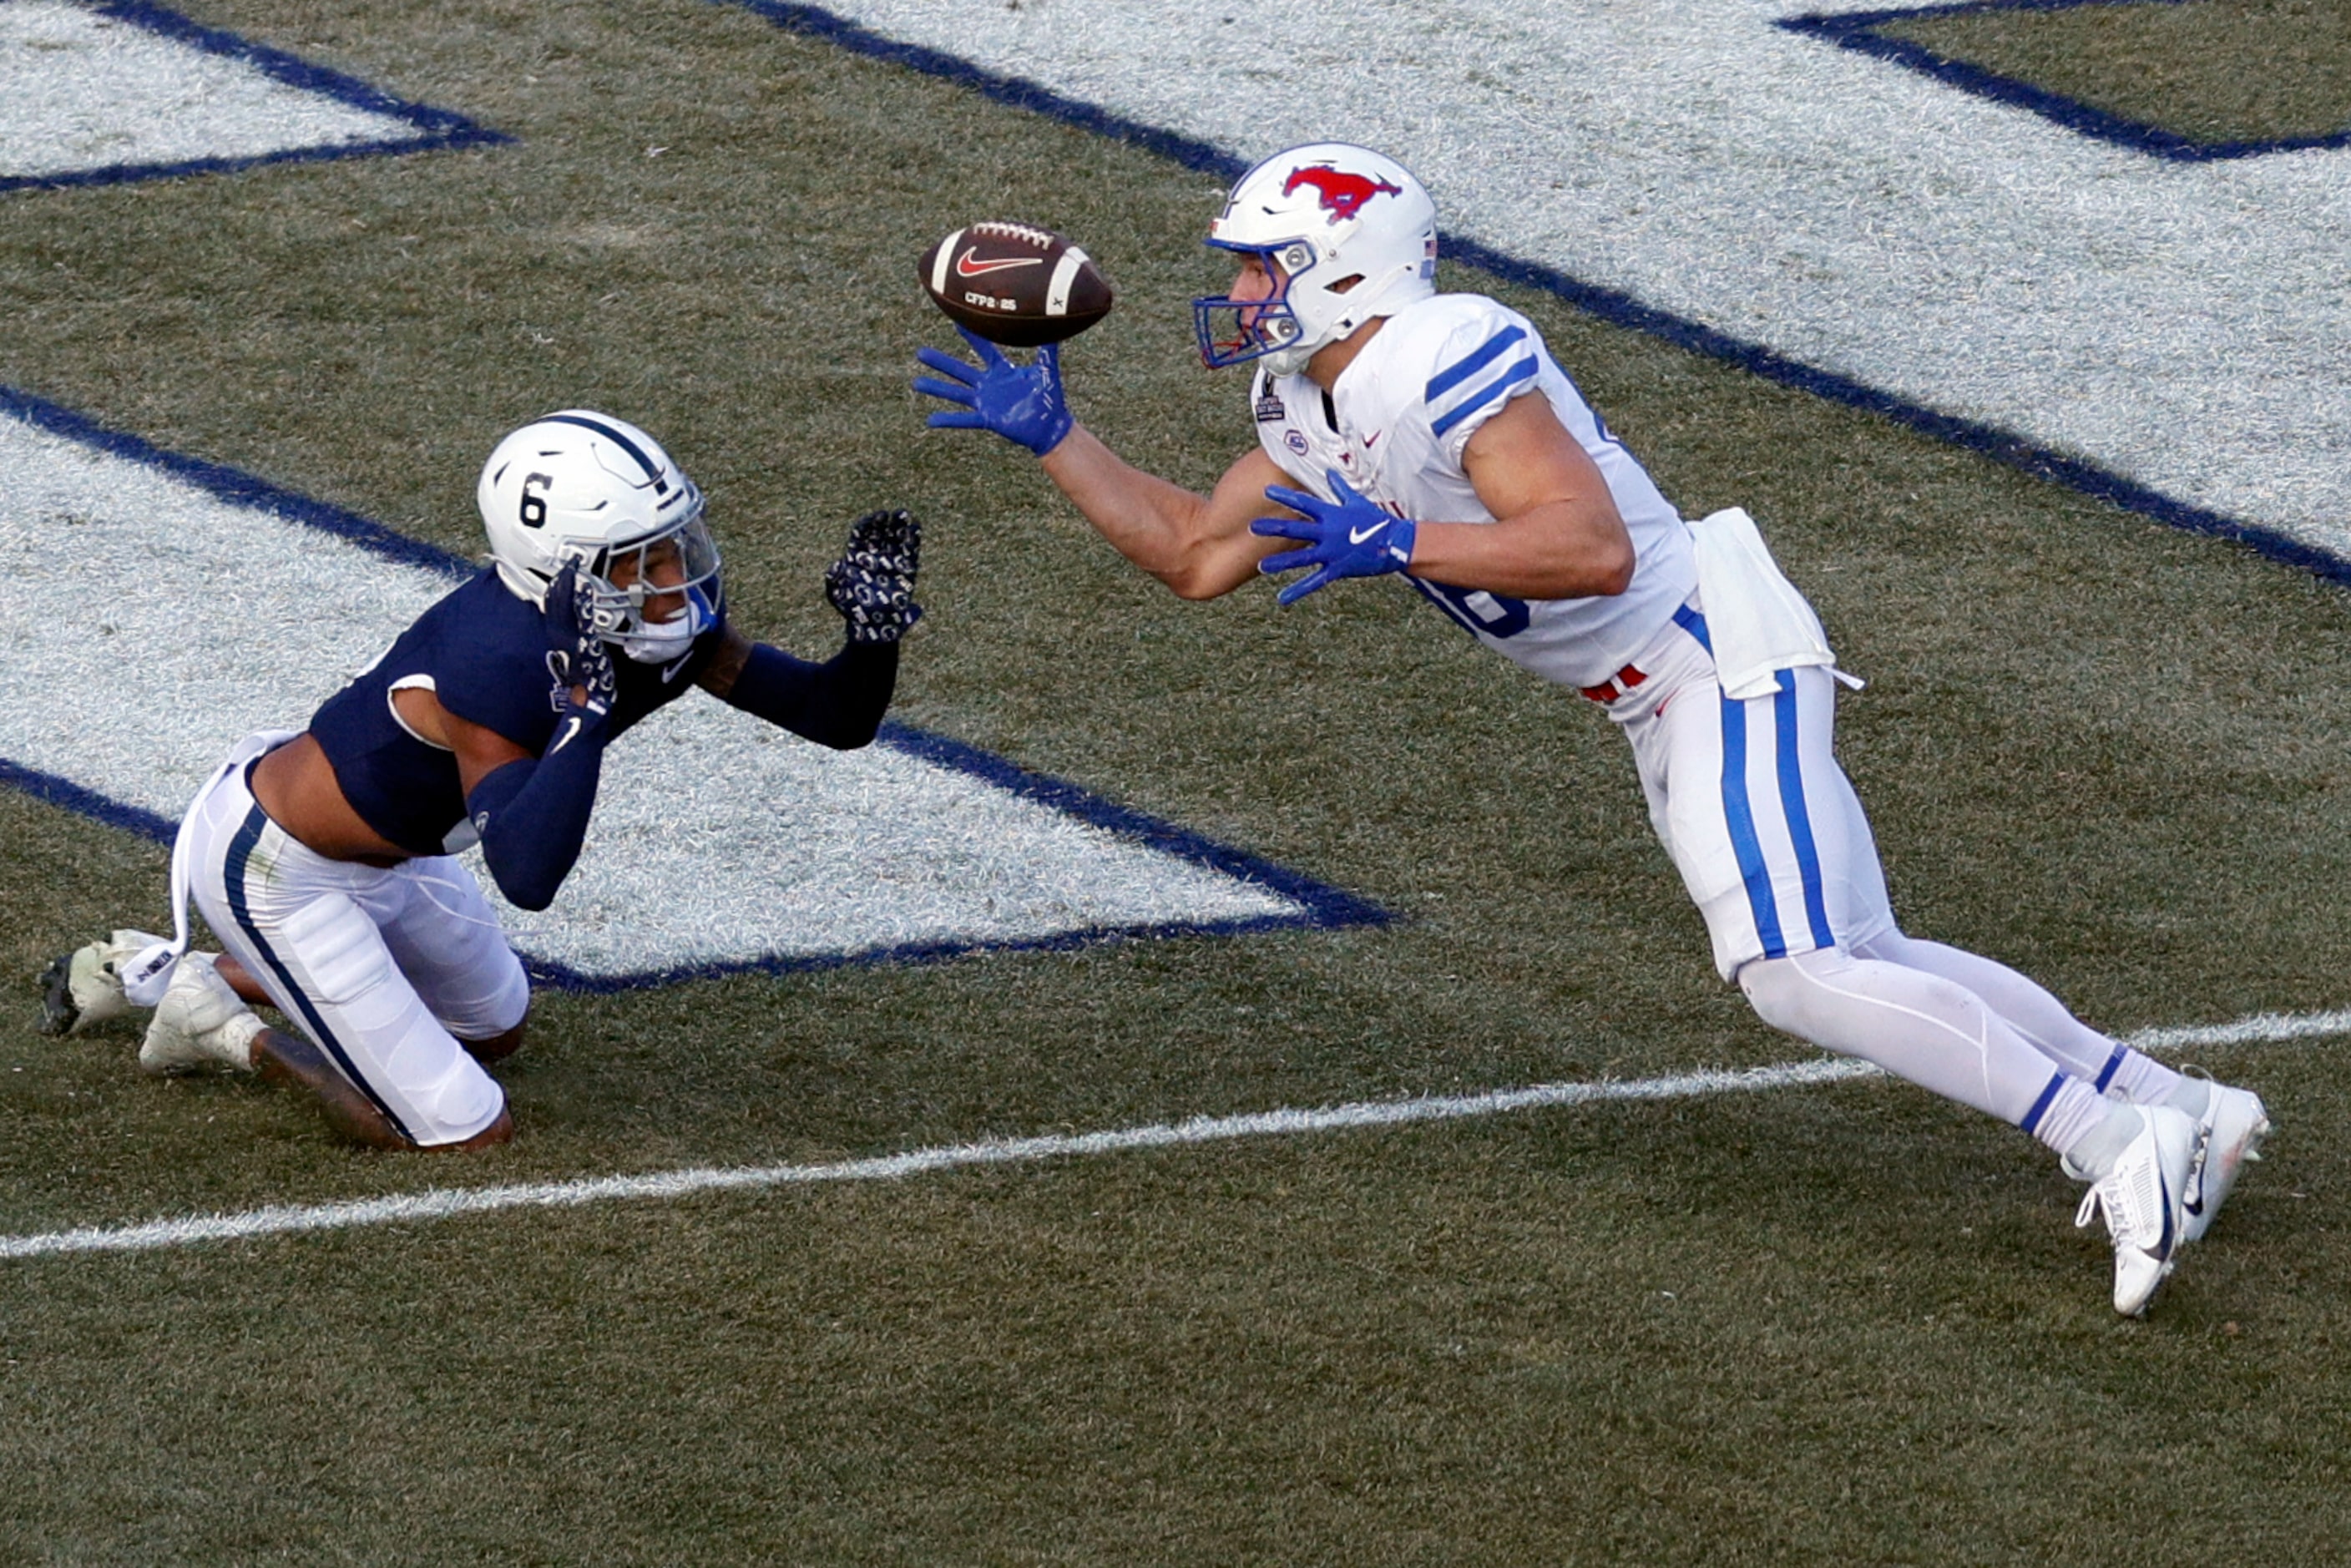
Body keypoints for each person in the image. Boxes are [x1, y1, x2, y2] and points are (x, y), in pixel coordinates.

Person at [913, 143, 2269, 1315]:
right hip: (1661, 690)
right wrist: (1059, 440)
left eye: (1267, 265)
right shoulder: (1301, 398)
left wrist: (1399, 538)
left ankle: (2111, 1142)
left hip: (1704, 656)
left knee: (1792, 971)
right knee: (1862, 952)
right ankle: (2175, 1106)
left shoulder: (1440, 351)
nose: (1243, 291)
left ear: (1345, 264)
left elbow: (1592, 546)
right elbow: (1200, 555)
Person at [41, 409, 923, 1151]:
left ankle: (186, 972)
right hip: (283, 870)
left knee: (493, 1031)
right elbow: (528, 875)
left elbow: (832, 719)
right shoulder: (493, 663)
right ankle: (220, 1024)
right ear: (561, 567)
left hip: (402, 849)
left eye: (670, 546)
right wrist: (581, 716)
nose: (670, 583)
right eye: (638, 561)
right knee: (460, 1128)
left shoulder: (649, 624)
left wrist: (871, 643)